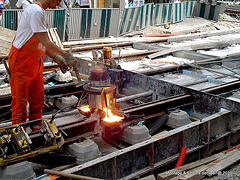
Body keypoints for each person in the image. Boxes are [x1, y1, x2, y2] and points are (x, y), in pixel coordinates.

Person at [8, 0, 76, 131]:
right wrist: (65, 55)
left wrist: (56, 57)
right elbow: (44, 40)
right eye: (58, 1)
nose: (58, 4)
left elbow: (41, 43)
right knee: (20, 104)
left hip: (35, 62)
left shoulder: (42, 12)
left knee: (37, 99)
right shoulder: (35, 11)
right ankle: (18, 136)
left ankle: (36, 131)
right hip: (21, 62)